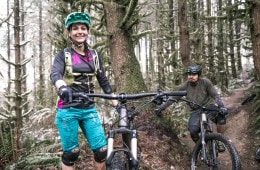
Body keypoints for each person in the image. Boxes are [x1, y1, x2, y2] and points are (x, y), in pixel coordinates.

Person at [50, 12, 117, 170]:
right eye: (75, 28)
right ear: (69, 32)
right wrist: (62, 86)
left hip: (89, 108)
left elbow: (103, 79)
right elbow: (55, 74)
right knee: (71, 153)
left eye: (83, 28)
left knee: (102, 150)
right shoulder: (63, 55)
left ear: (88, 31)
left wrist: (113, 98)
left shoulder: (94, 55)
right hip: (67, 109)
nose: (79, 31)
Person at [156, 64, 228, 152]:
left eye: (194, 74)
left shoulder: (205, 82)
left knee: (221, 116)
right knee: (193, 131)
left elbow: (215, 95)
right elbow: (173, 98)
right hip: (196, 111)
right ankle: (201, 148)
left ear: (198, 75)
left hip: (209, 107)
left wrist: (222, 106)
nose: (191, 76)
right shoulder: (185, 86)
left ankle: (220, 139)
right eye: (189, 74)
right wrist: (161, 108)